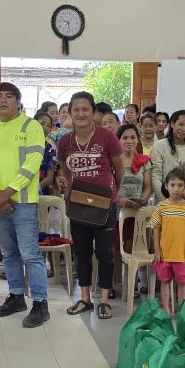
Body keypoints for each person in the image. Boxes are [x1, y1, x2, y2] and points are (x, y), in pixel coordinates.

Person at [0, 82, 50, 327]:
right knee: (9, 253)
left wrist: (7, 192)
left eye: (9, 96)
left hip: (24, 202)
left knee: (30, 254)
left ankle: (40, 304)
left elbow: (33, 163)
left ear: (18, 102)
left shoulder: (31, 126)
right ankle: (16, 296)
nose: (3, 100)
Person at [58, 91, 124, 320]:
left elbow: (119, 169)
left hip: (105, 204)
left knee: (105, 252)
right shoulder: (65, 141)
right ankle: (85, 298)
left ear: (94, 112)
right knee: (82, 251)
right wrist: (73, 187)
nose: (81, 114)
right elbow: (65, 170)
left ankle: (104, 299)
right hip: (78, 203)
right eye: (76, 110)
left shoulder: (107, 137)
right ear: (70, 113)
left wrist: (112, 192)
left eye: (85, 109)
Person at [150, 168, 185, 314]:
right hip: (165, 253)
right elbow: (155, 230)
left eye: (180, 185)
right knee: (164, 281)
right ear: (166, 185)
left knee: (183, 283)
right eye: (172, 185)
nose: (176, 189)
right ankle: (165, 309)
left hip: (184, 253)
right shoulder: (161, 207)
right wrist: (157, 250)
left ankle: (183, 311)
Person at [150, 109, 185, 197]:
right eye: (180, 124)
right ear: (172, 124)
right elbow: (155, 177)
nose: (183, 129)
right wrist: (167, 201)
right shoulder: (159, 146)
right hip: (163, 200)